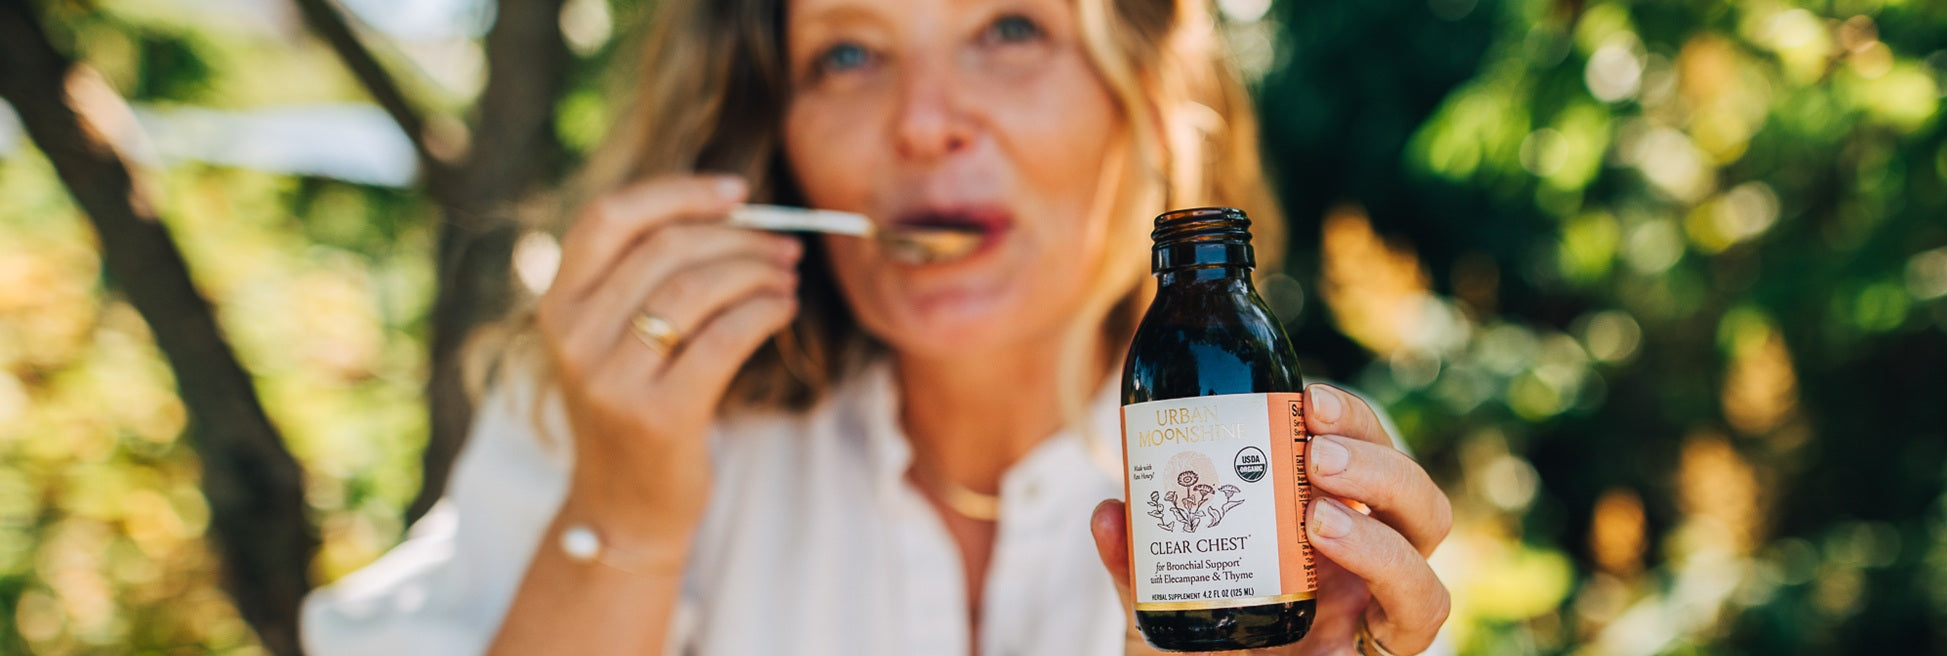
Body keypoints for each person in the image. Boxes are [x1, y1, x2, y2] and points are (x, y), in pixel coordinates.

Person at [300, 0, 1453, 653]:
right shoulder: (610, 418)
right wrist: (624, 514)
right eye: (848, 52)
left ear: (1141, 92)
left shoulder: (1285, 486)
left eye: (1008, 29)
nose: (923, 123)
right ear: (776, 128)